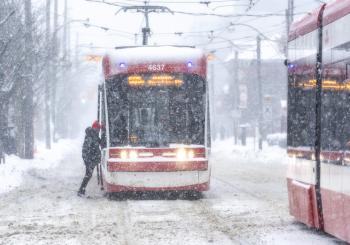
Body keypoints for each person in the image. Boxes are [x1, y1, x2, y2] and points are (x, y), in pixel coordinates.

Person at [78, 120, 102, 196]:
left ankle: (82, 190)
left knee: (88, 175)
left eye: (99, 129)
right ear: (95, 128)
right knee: (88, 175)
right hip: (89, 160)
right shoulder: (90, 136)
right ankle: (81, 191)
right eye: (98, 129)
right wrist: (88, 160)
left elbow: (100, 142)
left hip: (92, 159)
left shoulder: (94, 135)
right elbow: (87, 149)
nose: (99, 130)